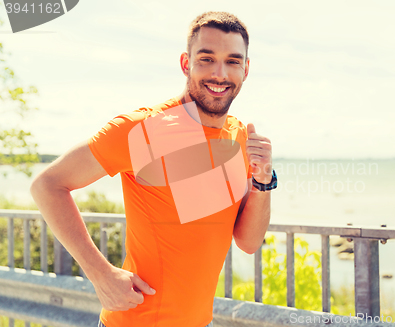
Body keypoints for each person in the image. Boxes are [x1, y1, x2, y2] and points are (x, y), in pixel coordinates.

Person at [30, 11, 277, 327]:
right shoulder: (141, 130)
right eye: (206, 59)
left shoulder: (240, 138)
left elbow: (248, 241)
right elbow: (47, 185)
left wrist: (263, 180)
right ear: (186, 63)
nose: (220, 73)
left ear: (245, 68)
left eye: (232, 61)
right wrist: (99, 273)